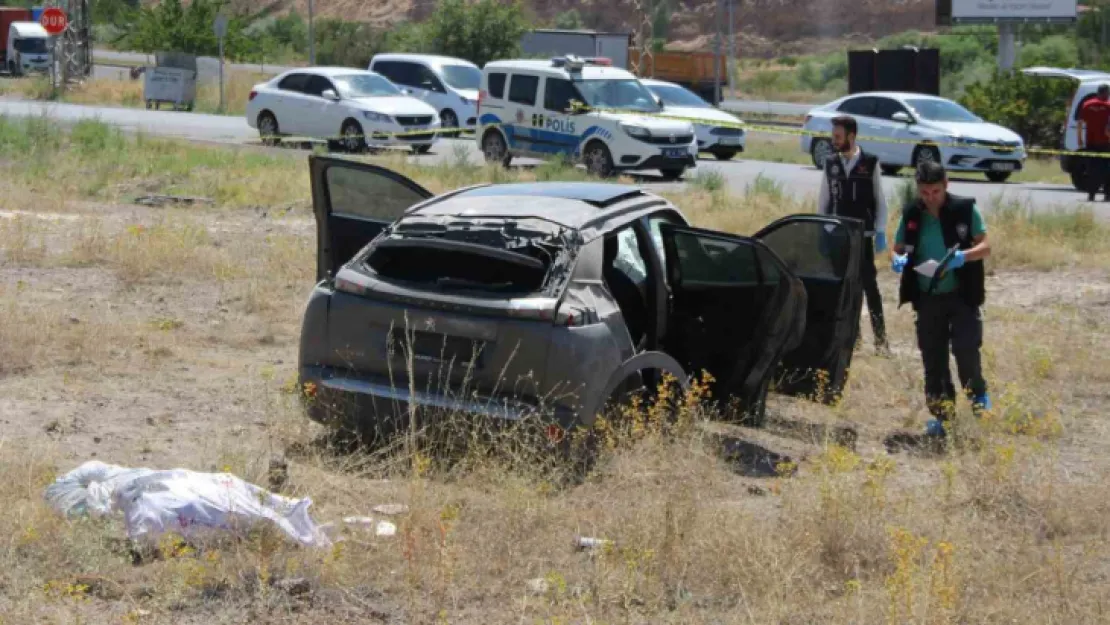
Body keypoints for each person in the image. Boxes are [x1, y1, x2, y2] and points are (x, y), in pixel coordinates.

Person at [891, 161, 992, 439]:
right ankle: (942, 416)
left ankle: (979, 398)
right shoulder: (912, 213)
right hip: (928, 297)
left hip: (961, 295)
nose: (930, 198)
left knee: (965, 349)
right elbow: (898, 247)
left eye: (935, 191)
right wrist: (897, 259)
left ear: (946, 184)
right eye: (924, 192)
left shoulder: (964, 209)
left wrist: (963, 257)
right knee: (933, 359)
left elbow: (986, 246)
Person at [818, 114, 889, 350]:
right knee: (845, 289)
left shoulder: (870, 162)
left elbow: (880, 199)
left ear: (851, 135)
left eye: (838, 136)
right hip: (839, 236)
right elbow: (824, 201)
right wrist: (824, 229)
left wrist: (880, 231)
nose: (834, 140)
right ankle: (853, 339)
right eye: (833, 136)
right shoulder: (830, 163)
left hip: (864, 236)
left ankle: (881, 340)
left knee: (870, 288)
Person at [1078, 83, 1110, 202]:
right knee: (1107, 169)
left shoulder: (1087, 105)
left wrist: (1079, 139)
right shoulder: (1108, 105)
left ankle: (1091, 195)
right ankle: (1107, 195)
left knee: (1092, 169)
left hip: (1090, 142)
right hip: (1106, 143)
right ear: (1106, 93)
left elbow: (1080, 123)